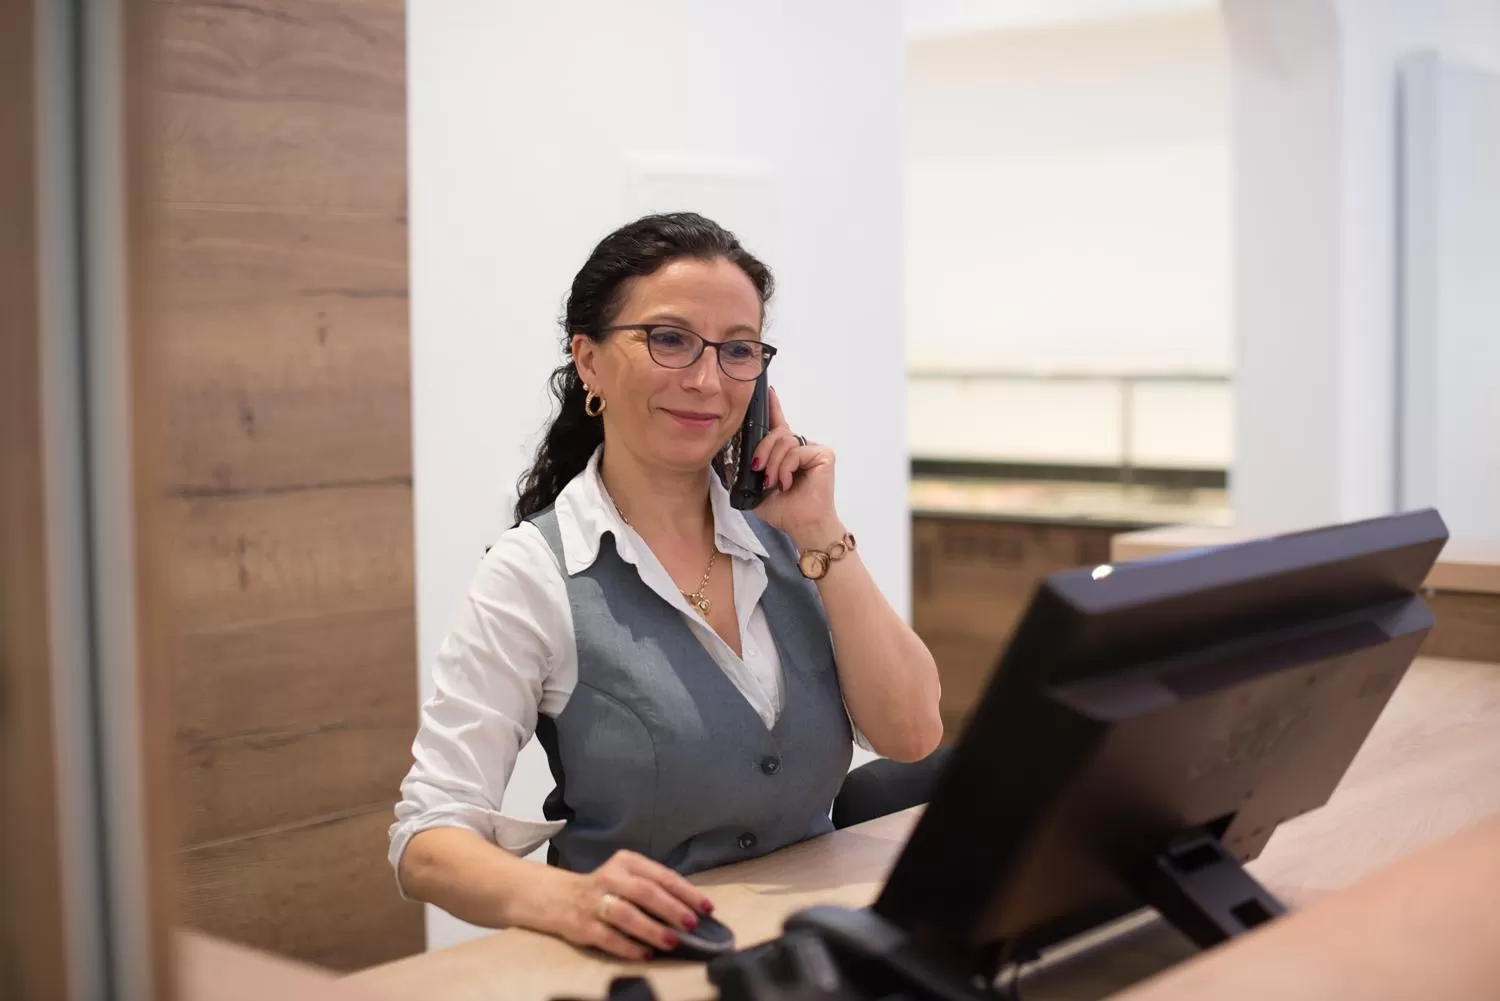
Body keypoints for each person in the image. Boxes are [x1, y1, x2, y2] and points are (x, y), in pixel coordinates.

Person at [390, 212, 943, 960]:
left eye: (738, 350)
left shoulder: (788, 534)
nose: (709, 380)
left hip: (811, 950)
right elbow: (427, 836)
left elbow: (912, 734)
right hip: (647, 961)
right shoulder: (535, 572)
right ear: (588, 360)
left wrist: (820, 533)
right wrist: (566, 897)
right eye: (670, 339)